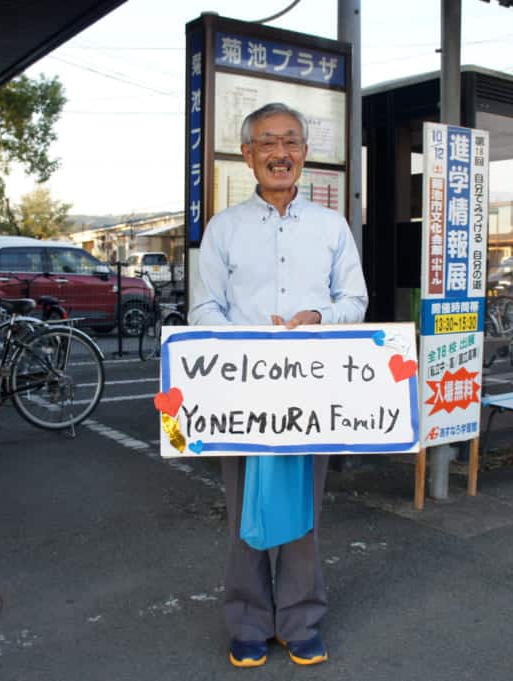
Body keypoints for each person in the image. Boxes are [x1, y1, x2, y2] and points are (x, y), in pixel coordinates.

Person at [189, 102, 368, 668]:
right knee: (245, 507)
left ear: (304, 154)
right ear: (248, 155)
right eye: (268, 142)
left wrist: (319, 318)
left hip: (312, 392)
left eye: (290, 141)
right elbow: (203, 310)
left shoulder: (331, 226)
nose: (280, 153)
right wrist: (249, 339)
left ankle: (301, 617)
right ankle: (246, 619)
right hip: (243, 391)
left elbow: (354, 301)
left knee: (304, 508)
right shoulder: (224, 228)